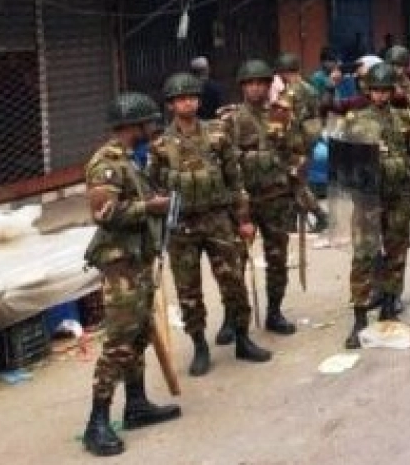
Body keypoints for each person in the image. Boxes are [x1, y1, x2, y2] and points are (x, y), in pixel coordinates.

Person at [79, 92, 182, 457]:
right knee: (119, 343)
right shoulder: (106, 163)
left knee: (138, 336)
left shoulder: (131, 161)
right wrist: (151, 206)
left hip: (137, 260)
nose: (151, 129)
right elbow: (104, 213)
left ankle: (136, 404)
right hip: (120, 266)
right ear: (131, 126)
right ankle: (97, 421)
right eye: (147, 123)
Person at [149, 73, 271, 375]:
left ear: (198, 100)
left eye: (191, 97)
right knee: (188, 290)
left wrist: (243, 219)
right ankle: (200, 346)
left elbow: (235, 179)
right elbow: (153, 190)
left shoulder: (217, 134)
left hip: (218, 219)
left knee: (233, 282)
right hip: (182, 227)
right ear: (171, 106)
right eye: (180, 99)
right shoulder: (161, 146)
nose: (186, 102)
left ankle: (242, 338)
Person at [219, 58, 309, 340]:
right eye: (250, 84)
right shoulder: (231, 119)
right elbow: (223, 160)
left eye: (261, 83)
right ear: (243, 87)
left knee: (277, 258)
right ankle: (231, 317)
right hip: (243, 201)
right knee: (234, 262)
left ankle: (274, 312)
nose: (256, 89)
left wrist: (296, 181)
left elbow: (298, 151)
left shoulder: (282, 114)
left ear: (270, 85)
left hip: (276, 198)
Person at [340, 63, 410, 348]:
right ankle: (360, 318)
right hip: (368, 202)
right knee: (364, 258)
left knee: (397, 254)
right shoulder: (354, 120)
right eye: (375, 90)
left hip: (398, 198)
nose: (380, 96)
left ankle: (389, 306)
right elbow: (343, 167)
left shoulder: (404, 120)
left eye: (384, 90)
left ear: (391, 91)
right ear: (368, 91)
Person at [190, 56, 224, 121]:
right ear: (207, 69)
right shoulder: (215, 87)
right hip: (213, 123)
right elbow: (220, 108)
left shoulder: (189, 88)